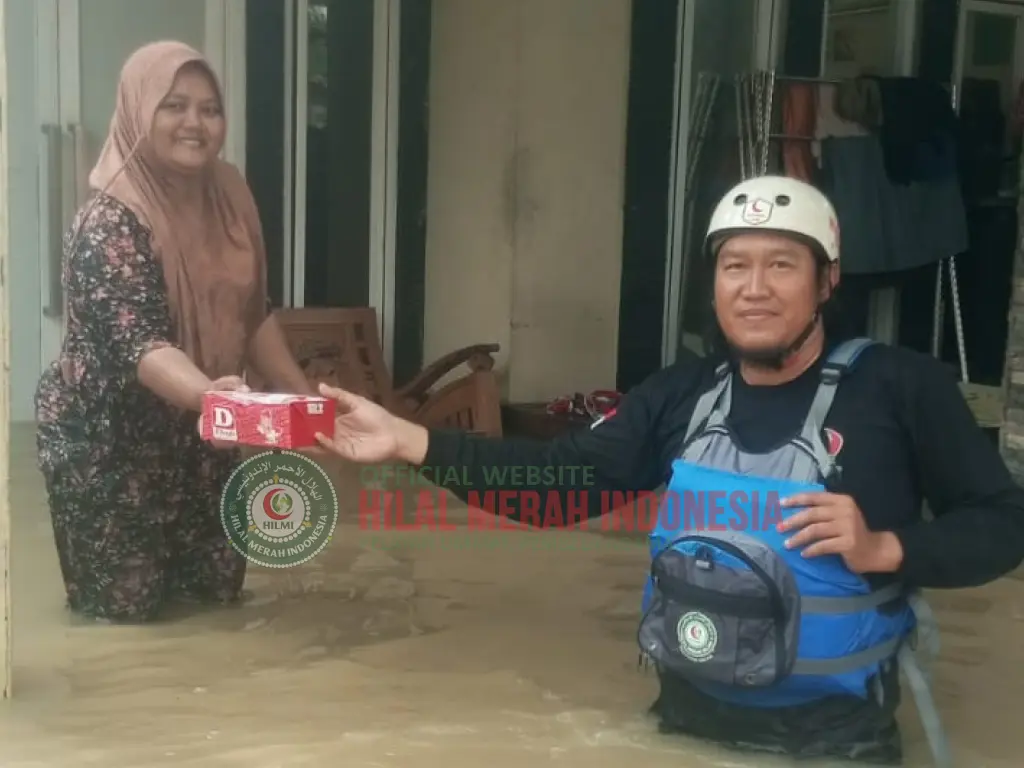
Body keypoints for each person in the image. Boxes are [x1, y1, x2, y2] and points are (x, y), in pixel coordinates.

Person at [310, 174, 1024, 764]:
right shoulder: (683, 394)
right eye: (735, 266)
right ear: (714, 283)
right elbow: (558, 486)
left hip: (836, 742)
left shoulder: (899, 389)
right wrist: (411, 442)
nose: (754, 287)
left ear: (827, 280)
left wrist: (887, 547)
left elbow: (1002, 523)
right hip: (683, 732)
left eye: (782, 265)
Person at [35, 41, 314, 623]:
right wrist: (214, 397)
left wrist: (302, 400)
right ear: (139, 112)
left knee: (215, 596)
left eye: (210, 109)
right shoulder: (108, 220)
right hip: (110, 440)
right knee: (124, 614)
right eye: (174, 106)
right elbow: (140, 345)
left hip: (203, 432)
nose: (195, 123)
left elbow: (251, 311)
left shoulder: (229, 196)